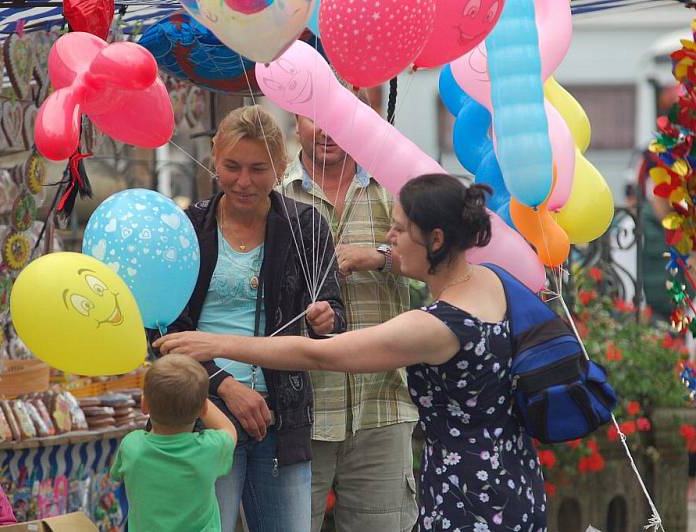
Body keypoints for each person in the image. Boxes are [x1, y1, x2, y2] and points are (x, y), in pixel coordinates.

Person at [156, 174, 549, 531]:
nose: (388, 240)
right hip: (514, 480)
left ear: (436, 240)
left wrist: (217, 344)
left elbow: (321, 355)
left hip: (469, 498)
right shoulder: (492, 281)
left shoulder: (436, 326)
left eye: (399, 229)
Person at [150, 105, 346, 531]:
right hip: (198, 414)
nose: (243, 181)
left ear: (281, 166)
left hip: (281, 418)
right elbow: (163, 330)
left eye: (258, 168)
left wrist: (325, 319)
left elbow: (335, 316)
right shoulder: (188, 227)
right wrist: (224, 385)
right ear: (214, 156)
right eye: (232, 166)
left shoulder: (306, 226)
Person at [278, 94, 418, 531]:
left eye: (337, 119)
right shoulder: (275, 194)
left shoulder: (396, 186)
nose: (325, 131)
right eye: (313, 117)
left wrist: (378, 256)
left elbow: (440, 265)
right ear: (295, 122)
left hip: (383, 404)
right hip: (299, 411)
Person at [111, 355, 236, 531]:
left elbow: (116, 474)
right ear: (203, 409)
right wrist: (198, 399)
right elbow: (229, 430)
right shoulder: (209, 448)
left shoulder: (132, 446)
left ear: (144, 404)